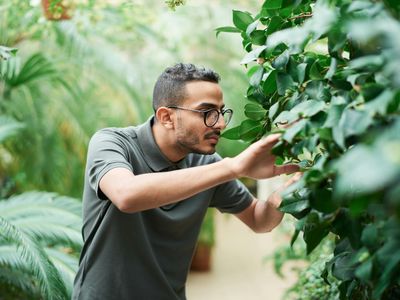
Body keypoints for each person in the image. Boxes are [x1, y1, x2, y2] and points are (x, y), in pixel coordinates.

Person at [72, 63, 299, 300]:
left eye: (221, 112)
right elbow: (126, 195)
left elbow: (258, 219)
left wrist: (292, 188)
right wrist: (233, 167)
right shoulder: (112, 143)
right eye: (207, 113)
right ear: (166, 117)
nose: (220, 124)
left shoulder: (207, 164)